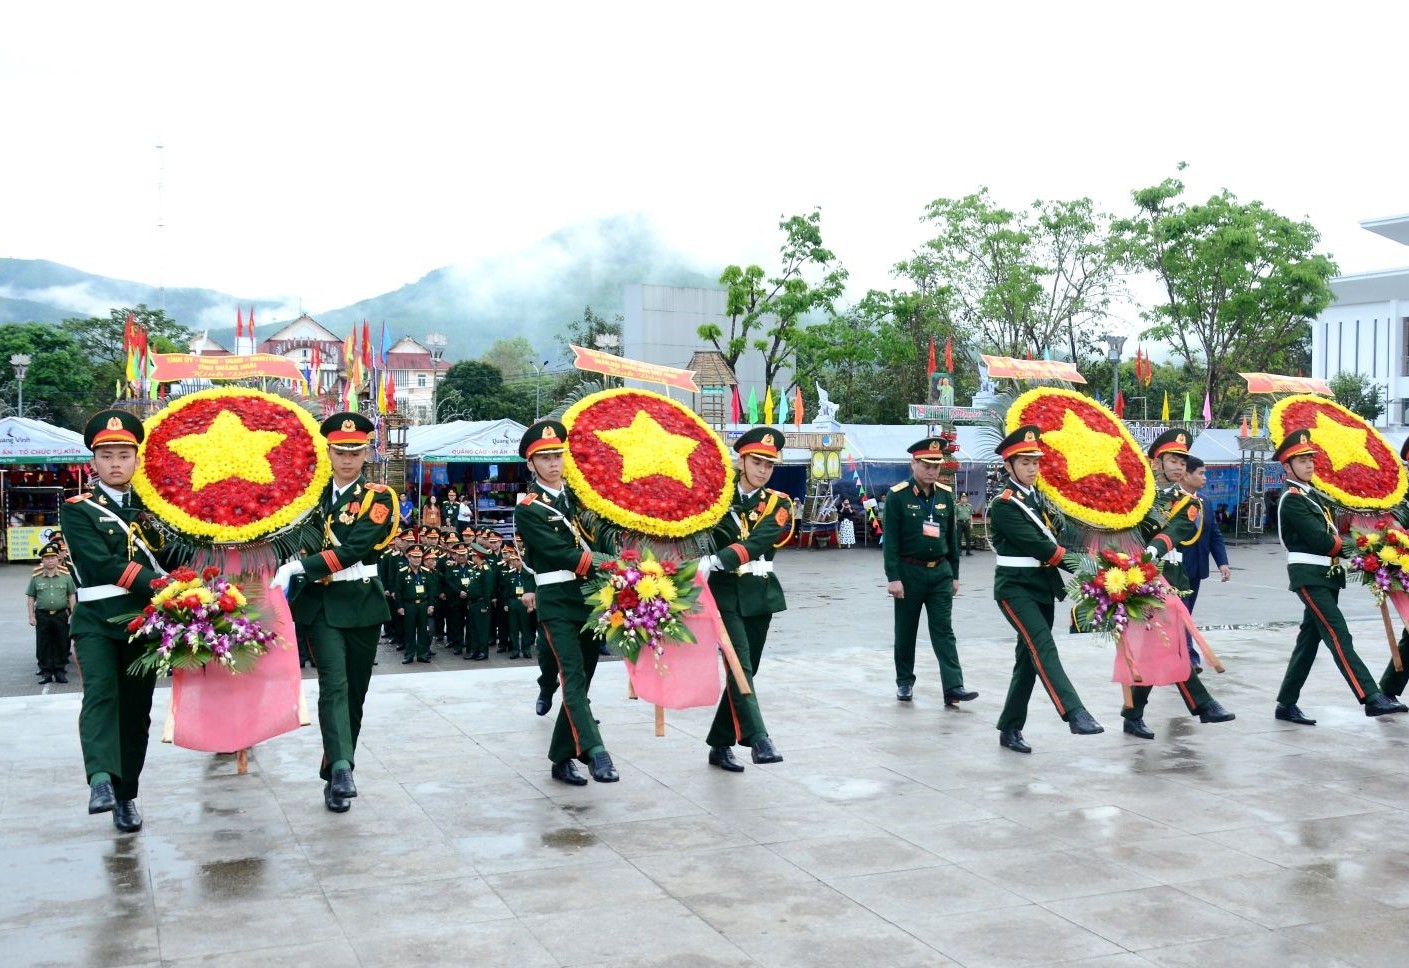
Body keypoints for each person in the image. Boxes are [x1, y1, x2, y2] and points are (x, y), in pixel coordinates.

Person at [270, 412, 398, 814]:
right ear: (328, 452)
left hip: (361, 601)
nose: (347, 459)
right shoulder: (309, 497)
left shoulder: (378, 497)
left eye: (355, 452)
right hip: (321, 604)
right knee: (335, 686)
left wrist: (299, 567)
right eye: (340, 451)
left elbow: (356, 548)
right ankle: (343, 768)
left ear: (366, 454)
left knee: (355, 694)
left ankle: (334, 770)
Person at [62, 409, 168, 832]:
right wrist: (159, 584)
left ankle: (126, 796)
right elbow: (100, 563)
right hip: (96, 620)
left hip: (142, 622)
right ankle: (101, 780)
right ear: (94, 462)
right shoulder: (78, 509)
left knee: (136, 713)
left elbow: (173, 554)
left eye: (124, 455)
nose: (116, 464)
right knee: (101, 694)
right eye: (107, 456)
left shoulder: (154, 509)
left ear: (136, 459)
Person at [1272, 428, 1405, 724]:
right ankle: (1371, 697)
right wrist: (1364, 547)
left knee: (1309, 641)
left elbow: (1335, 531)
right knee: (1338, 633)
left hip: (1325, 575)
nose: (1309, 465)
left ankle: (1286, 703)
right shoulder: (1292, 499)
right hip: (1309, 575)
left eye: (1311, 459)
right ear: (1287, 467)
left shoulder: (1312, 496)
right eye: (1302, 460)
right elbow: (1322, 541)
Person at [513, 419, 618, 785]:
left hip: (590, 599)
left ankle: (561, 758)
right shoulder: (528, 508)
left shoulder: (583, 497)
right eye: (545, 458)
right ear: (531, 463)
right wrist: (608, 563)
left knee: (582, 682)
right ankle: (595, 751)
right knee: (571, 676)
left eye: (558, 455)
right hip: (556, 600)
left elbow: (605, 533)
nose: (554, 463)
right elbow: (558, 552)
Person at [990, 424, 1103, 753]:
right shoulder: (1004, 504)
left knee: (1028, 660)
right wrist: (1089, 569)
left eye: (1035, 462)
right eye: (1025, 463)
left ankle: (1010, 728)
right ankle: (1074, 712)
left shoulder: (1038, 499)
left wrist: (1099, 555)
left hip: (1042, 587)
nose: (1032, 469)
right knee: (1043, 646)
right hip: (1015, 589)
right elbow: (1043, 548)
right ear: (1008, 466)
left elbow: (1062, 536)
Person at [1120, 441, 1236, 739]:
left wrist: (1151, 552)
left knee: (1162, 644)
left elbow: (1175, 531)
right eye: (1173, 460)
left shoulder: (1189, 502)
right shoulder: (1139, 495)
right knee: (1166, 643)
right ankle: (1202, 704)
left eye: (1183, 462)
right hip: (1138, 574)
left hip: (1168, 577)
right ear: (1156, 462)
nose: (1179, 467)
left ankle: (1134, 714)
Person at [702, 427, 789, 772]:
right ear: (741, 461)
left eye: (769, 465)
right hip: (723, 594)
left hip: (760, 594)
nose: (763, 470)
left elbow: (759, 541)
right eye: (757, 462)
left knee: (746, 669)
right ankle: (759, 738)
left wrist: (717, 559)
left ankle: (719, 743)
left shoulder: (779, 503)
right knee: (740, 664)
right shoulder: (716, 500)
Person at [885, 436, 973, 706]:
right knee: (906, 630)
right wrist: (893, 578)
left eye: (936, 466)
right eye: (927, 465)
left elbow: (952, 539)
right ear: (913, 464)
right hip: (909, 573)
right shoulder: (897, 496)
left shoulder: (945, 495)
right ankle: (904, 681)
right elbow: (891, 542)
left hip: (940, 573)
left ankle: (954, 686)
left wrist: (955, 575)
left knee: (943, 629)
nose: (932, 471)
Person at [1181, 455, 1230, 670]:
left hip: (1197, 568)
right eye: (1200, 473)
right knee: (1183, 615)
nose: (1205, 477)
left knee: (1185, 614)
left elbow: (1214, 535)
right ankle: (1190, 658)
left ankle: (1175, 654)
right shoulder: (1171, 500)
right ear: (1186, 475)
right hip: (1176, 570)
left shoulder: (1205, 501)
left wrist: (1222, 563)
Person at [27, 541, 76, 684]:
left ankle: (60, 671)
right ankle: (46, 672)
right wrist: (31, 616)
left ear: (57, 558)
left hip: (61, 615)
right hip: (42, 615)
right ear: (42, 560)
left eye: (53, 557)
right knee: (43, 644)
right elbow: (31, 597)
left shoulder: (66, 576)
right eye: (47, 558)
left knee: (61, 642)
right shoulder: (36, 577)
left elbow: (71, 595)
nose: (50, 561)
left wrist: (73, 614)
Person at [395, 545, 438, 664]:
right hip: (409, 605)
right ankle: (409, 654)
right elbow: (398, 591)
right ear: (409, 558)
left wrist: (431, 605)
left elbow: (431, 590)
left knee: (423, 630)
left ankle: (422, 654)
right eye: (414, 557)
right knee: (409, 630)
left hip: (423, 605)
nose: (417, 559)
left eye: (419, 557)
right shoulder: (402, 573)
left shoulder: (426, 572)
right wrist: (400, 606)